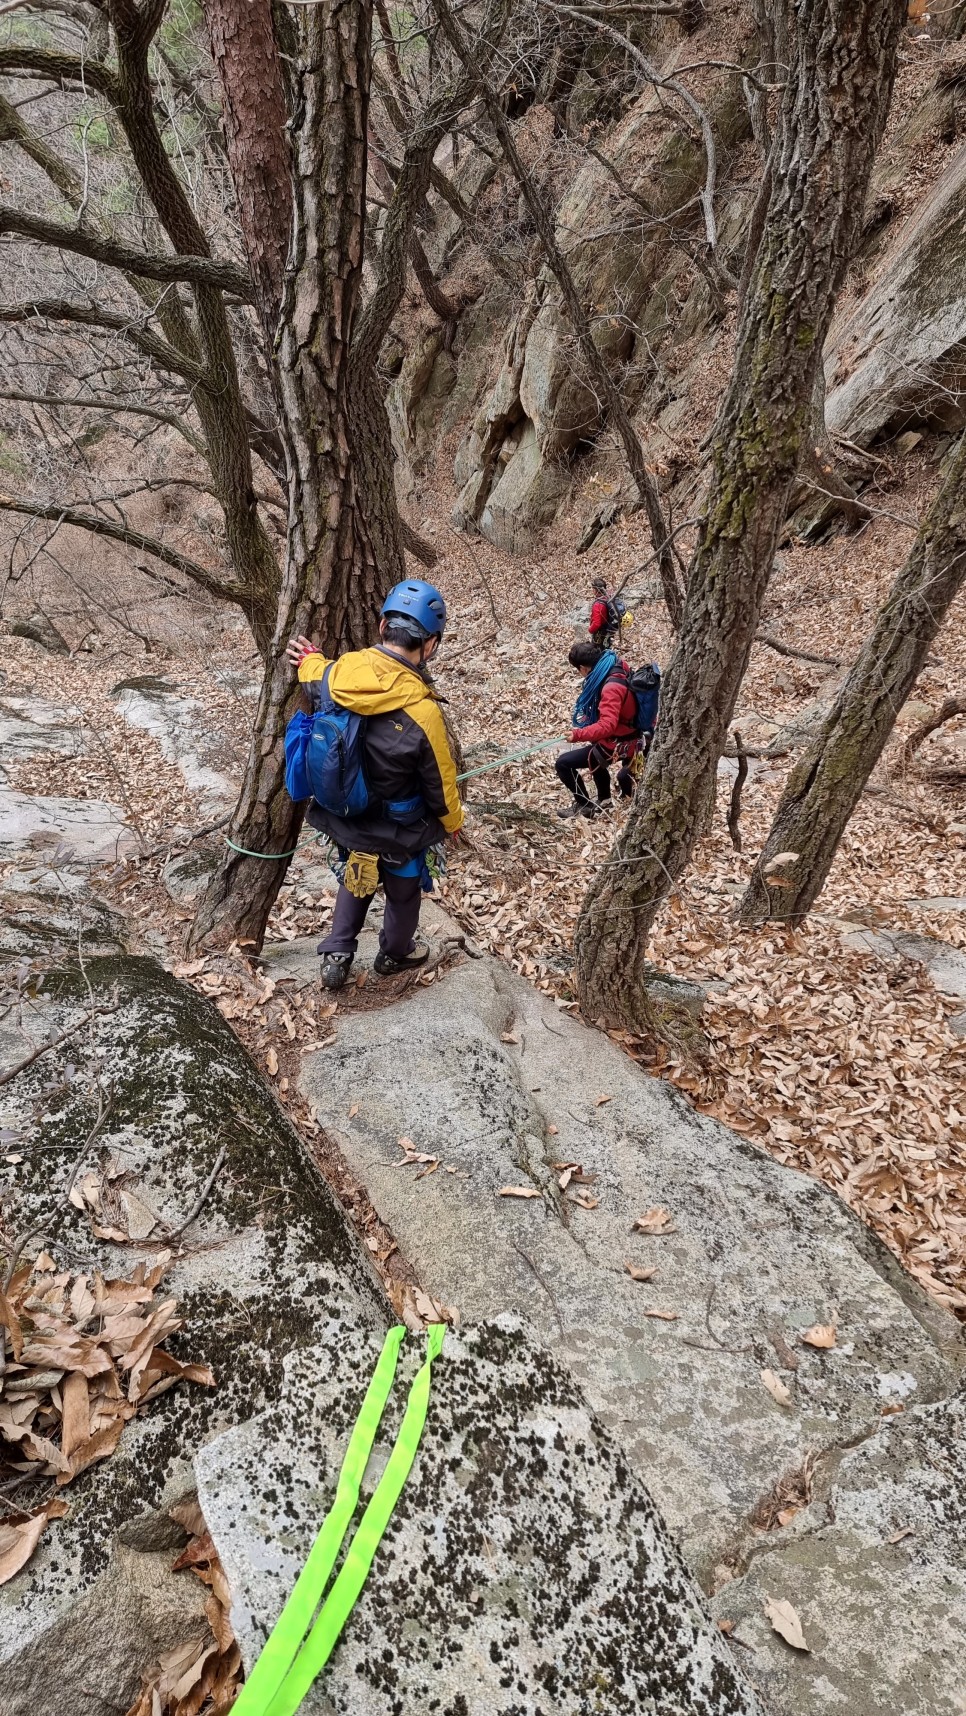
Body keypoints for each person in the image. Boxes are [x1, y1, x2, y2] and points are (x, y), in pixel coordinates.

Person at [285, 579, 465, 989]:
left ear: (383, 626)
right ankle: (394, 954)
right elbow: (441, 783)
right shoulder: (423, 711)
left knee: (356, 876)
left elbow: (314, 671)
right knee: (404, 893)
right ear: (431, 644)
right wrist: (453, 822)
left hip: (347, 816)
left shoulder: (336, 675)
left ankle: (337, 952)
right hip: (401, 828)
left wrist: (309, 657)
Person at [555, 640, 641, 820]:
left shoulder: (611, 687)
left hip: (620, 742)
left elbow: (607, 725)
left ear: (583, 668)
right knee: (595, 752)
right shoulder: (617, 665)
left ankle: (585, 805)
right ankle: (605, 801)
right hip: (636, 737)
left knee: (563, 763)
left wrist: (577, 734)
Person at [588, 577, 621, 647]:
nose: (592, 590)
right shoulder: (609, 596)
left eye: (593, 589)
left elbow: (597, 623)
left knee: (598, 648)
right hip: (610, 626)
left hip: (600, 631)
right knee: (607, 644)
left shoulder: (598, 605)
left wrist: (590, 630)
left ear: (596, 590)